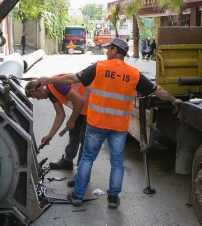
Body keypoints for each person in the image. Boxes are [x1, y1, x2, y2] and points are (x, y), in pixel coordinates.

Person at [36, 38, 182, 209]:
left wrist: (49, 80)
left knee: (87, 159)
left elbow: (71, 78)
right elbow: (156, 90)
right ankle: (113, 198)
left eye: (108, 49)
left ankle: (77, 195)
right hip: (119, 127)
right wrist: (173, 99)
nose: (106, 52)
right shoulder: (134, 74)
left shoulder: (99, 67)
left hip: (96, 123)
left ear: (114, 50)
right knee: (117, 162)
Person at [24, 74, 89, 170]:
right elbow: (60, 114)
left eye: (35, 96)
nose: (37, 99)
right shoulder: (50, 93)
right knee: (74, 132)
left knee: (85, 139)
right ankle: (67, 161)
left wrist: (71, 120)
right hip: (84, 108)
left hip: (93, 106)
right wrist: (49, 135)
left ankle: (82, 173)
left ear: (39, 90)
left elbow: (79, 101)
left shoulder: (56, 84)